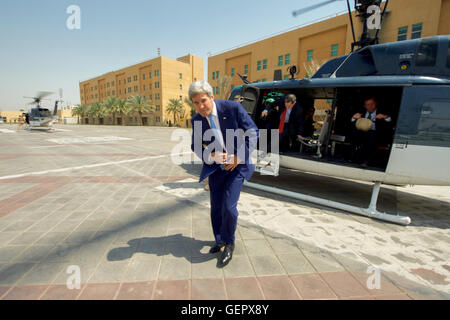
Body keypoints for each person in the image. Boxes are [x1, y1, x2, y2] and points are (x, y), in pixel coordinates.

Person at [190, 80, 258, 267]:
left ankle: (229, 243)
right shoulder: (197, 120)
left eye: (203, 100)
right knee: (216, 207)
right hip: (216, 169)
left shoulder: (232, 108)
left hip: (236, 168)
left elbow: (252, 132)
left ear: (212, 97)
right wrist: (209, 155)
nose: (200, 106)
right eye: (195, 103)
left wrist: (239, 156)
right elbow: (195, 145)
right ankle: (219, 239)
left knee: (229, 207)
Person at [351, 96, 392, 166]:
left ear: (376, 104)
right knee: (357, 135)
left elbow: (390, 121)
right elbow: (351, 123)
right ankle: (355, 159)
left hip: (376, 134)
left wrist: (385, 117)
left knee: (371, 137)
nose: (370, 106)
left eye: (372, 104)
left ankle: (367, 160)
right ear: (364, 106)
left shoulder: (381, 111)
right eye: (368, 104)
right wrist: (353, 118)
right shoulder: (361, 112)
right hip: (361, 133)